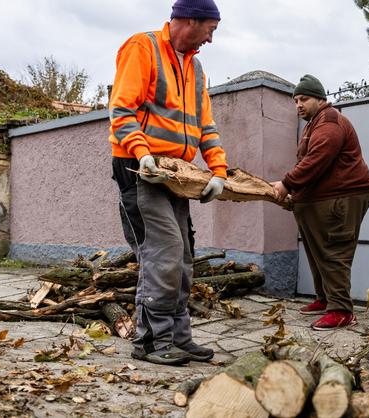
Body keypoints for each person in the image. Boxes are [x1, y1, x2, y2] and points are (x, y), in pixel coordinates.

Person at [108, 0, 227, 365]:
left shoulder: (195, 66)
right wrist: (142, 152)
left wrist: (218, 171)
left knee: (183, 256)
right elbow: (122, 111)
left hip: (175, 174)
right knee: (163, 254)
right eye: (210, 30)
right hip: (139, 168)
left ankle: (178, 336)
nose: (210, 39)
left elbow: (205, 127)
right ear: (190, 20)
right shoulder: (142, 48)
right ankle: (150, 342)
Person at [271, 75, 369, 330]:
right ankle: (325, 299)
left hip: (342, 197)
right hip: (321, 198)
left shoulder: (329, 122)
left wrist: (287, 183)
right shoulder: (313, 124)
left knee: (333, 251)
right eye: (295, 100)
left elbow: (317, 159)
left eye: (303, 99)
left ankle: (341, 310)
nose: (298, 104)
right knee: (317, 251)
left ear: (320, 99)